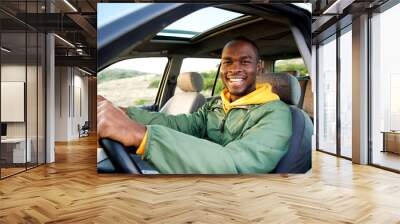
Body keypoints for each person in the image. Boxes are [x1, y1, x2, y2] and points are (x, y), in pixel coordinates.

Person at [97, 37, 292, 174]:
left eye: (245, 61)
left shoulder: (276, 114)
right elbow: (181, 125)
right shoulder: (215, 104)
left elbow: (237, 166)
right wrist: (125, 114)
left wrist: (143, 136)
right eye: (228, 62)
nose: (234, 69)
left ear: (258, 67)